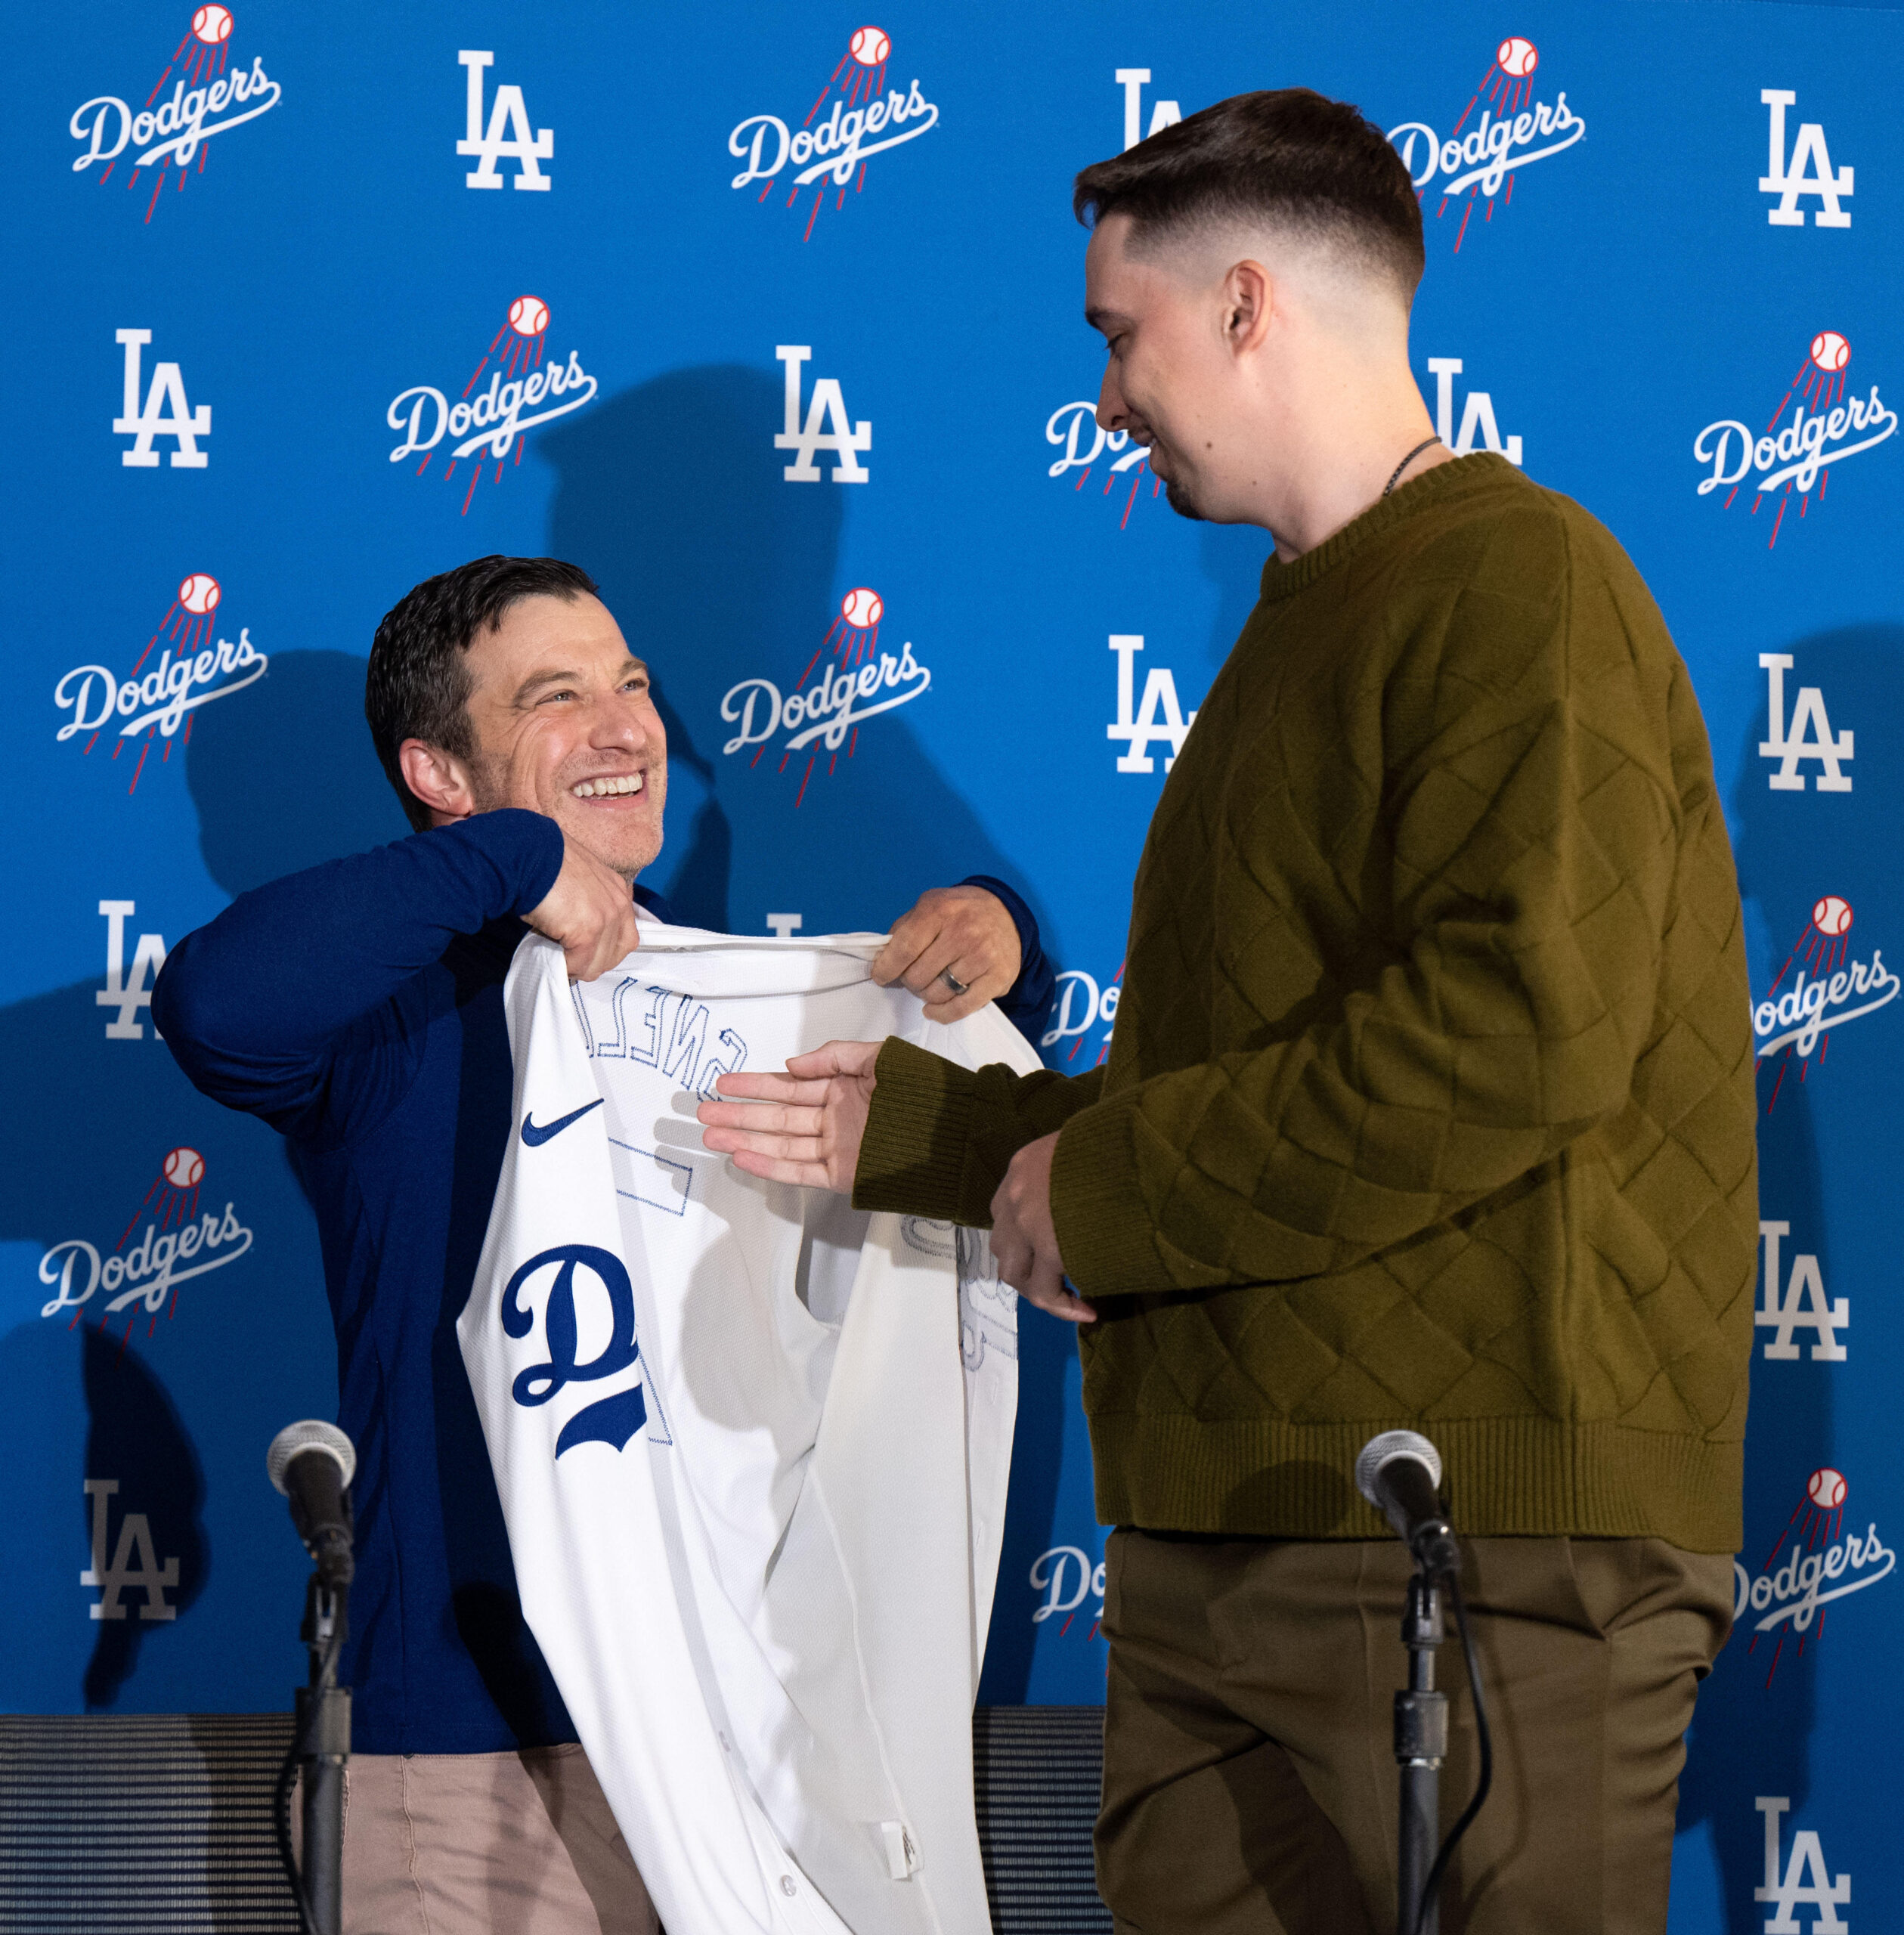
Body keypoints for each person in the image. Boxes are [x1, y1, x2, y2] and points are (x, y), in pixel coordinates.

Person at [697, 90, 1758, 1935]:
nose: (1108, 395)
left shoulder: (1522, 582)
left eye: (1124, 334)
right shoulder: (1304, 619)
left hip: (1468, 1545)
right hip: (1235, 1527)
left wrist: (1094, 1191)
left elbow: (1513, 1029)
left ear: (1248, 302)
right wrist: (953, 1140)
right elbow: (1258, 1084)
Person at [153, 554, 1053, 1935]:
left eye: (632, 683)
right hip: (469, 1769)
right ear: (441, 775)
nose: (631, 725)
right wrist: (518, 864)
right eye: (556, 697)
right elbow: (216, 1001)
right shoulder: (387, 1022)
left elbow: (955, 1064)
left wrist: (1003, 931)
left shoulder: (726, 995)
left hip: (745, 1743)